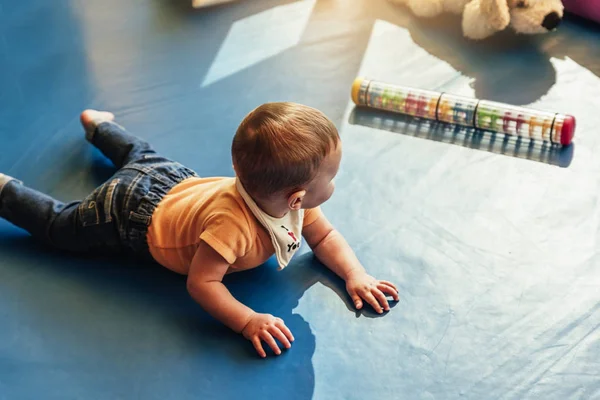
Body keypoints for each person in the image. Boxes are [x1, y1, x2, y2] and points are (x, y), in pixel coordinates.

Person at [0, 103, 399, 358]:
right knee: (62, 226)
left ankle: (101, 127)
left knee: (142, 155)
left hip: (174, 181)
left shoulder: (294, 206)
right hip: (129, 215)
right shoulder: (232, 228)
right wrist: (247, 320)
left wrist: (355, 274)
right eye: (332, 178)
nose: (334, 185)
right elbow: (202, 283)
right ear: (296, 198)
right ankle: (9, 192)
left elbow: (325, 238)